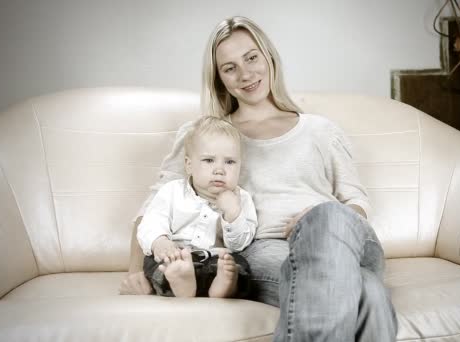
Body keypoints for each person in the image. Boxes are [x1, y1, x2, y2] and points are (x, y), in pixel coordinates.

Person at [120, 16, 398, 341]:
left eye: (252, 57)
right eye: (230, 67)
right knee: (370, 294)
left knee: (328, 218)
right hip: (267, 248)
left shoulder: (320, 130)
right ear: (220, 79)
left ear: (268, 57)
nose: (246, 74)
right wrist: (135, 271)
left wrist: (323, 221)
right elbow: (152, 208)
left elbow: (357, 204)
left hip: (345, 238)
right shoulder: (205, 137)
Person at [137, 116, 256, 298]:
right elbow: (151, 222)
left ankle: (223, 287)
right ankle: (180, 283)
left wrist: (233, 214)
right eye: (209, 160)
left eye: (230, 162)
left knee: (237, 265)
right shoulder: (172, 191)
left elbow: (239, 244)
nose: (219, 169)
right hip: (176, 255)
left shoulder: (241, 199)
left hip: (215, 259)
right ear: (189, 165)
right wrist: (160, 241)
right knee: (156, 263)